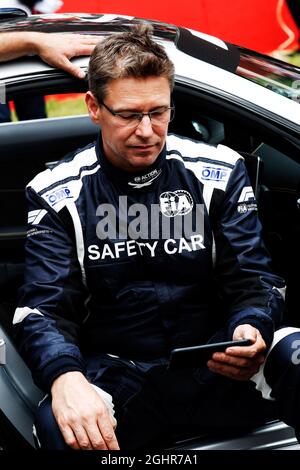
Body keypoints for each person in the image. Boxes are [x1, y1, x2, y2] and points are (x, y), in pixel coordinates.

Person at [13, 24, 300, 451]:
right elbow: (43, 308)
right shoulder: (58, 191)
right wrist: (64, 377)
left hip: (219, 363)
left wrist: (251, 327)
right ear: (94, 107)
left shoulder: (218, 170)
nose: (146, 130)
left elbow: (255, 280)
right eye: (129, 115)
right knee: (62, 426)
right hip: (119, 376)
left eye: (158, 112)